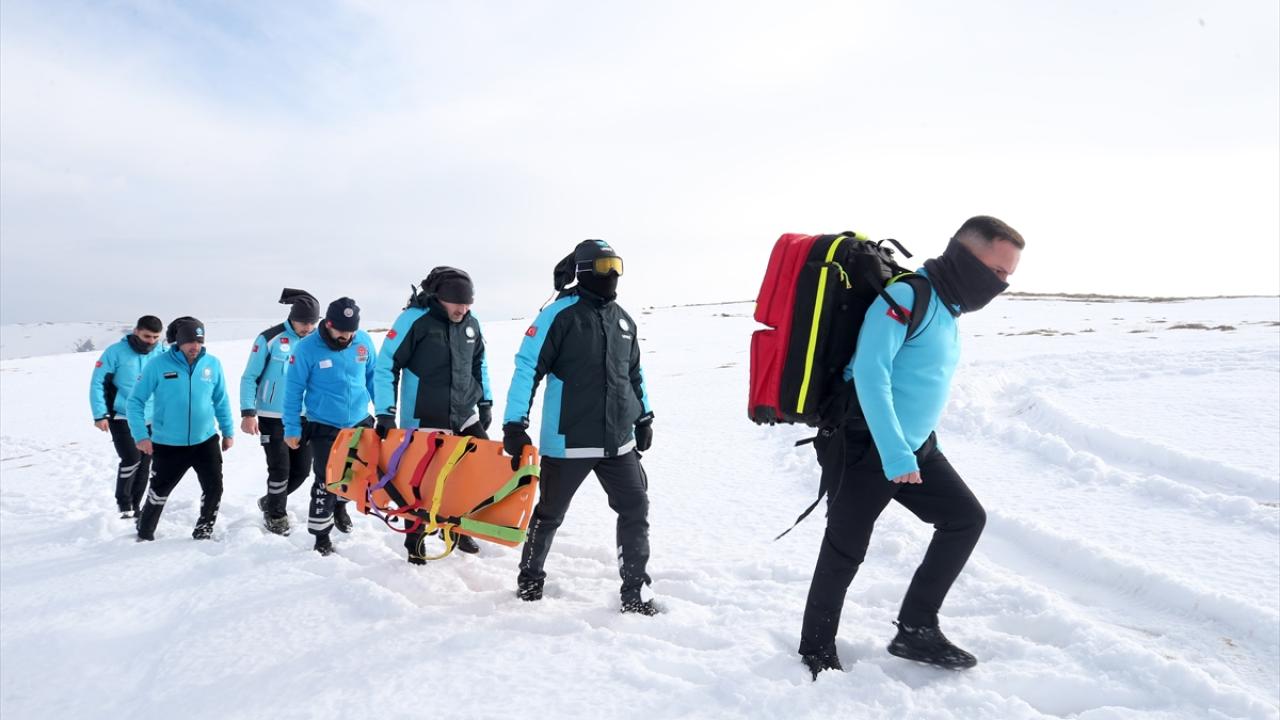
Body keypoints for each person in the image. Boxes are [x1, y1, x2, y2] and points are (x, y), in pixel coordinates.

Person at [797, 216, 1024, 677]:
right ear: (965, 255)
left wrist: (915, 444)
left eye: (1007, 276)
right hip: (867, 446)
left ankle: (916, 628)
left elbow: (916, 380)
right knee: (845, 550)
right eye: (996, 271)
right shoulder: (906, 296)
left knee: (965, 519)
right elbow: (870, 374)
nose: (1000, 284)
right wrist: (895, 453)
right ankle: (815, 651)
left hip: (915, 447)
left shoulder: (947, 307)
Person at [503, 239, 658, 615]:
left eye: (617, 265)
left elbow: (633, 374)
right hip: (568, 439)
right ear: (585, 270)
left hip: (618, 441)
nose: (612, 274)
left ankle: (635, 591)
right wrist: (514, 423)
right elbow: (527, 368)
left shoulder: (623, 320)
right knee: (550, 514)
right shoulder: (558, 315)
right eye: (604, 266)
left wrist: (644, 416)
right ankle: (530, 578)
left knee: (636, 507)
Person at [374, 267, 491, 561]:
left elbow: (479, 362)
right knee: (421, 484)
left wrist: (485, 401)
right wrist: (385, 412)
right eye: (457, 304)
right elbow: (386, 365)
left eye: (467, 304)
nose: (463, 310)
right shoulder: (414, 320)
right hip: (424, 415)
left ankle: (458, 529)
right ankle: (414, 542)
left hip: (463, 412)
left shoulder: (471, 323)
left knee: (475, 469)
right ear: (439, 298)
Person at [282, 297, 378, 556]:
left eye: (351, 331)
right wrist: (292, 428)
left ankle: (340, 507)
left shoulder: (363, 341)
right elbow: (293, 391)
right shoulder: (306, 348)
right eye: (341, 331)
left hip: (359, 420)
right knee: (327, 479)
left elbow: (373, 377)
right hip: (324, 424)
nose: (347, 337)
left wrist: (384, 412)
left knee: (355, 473)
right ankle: (321, 535)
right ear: (328, 324)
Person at [128, 317, 235, 541]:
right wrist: (141, 436)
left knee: (214, 488)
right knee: (159, 492)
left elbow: (221, 399)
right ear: (178, 341)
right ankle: (145, 532)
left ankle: (204, 529)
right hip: (168, 444)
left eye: (199, 341)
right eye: (189, 341)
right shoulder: (157, 365)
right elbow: (135, 401)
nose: (195, 346)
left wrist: (228, 431)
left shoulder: (212, 364)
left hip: (205, 440)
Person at [239, 289, 321, 535]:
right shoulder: (270, 338)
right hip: (272, 417)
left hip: (304, 416)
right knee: (279, 468)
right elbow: (249, 377)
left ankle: (270, 501)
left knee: (301, 471)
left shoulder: (317, 341)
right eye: (303, 323)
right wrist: (248, 412)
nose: (308, 328)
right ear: (292, 317)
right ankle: (276, 515)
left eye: (312, 323)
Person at [89, 315, 165, 518]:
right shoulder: (115, 352)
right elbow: (98, 383)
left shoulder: (161, 352)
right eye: (147, 336)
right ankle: (124, 505)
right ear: (136, 331)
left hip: (151, 416)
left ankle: (135, 507)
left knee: (145, 462)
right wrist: (100, 414)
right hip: (121, 415)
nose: (151, 341)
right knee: (131, 458)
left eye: (155, 337)